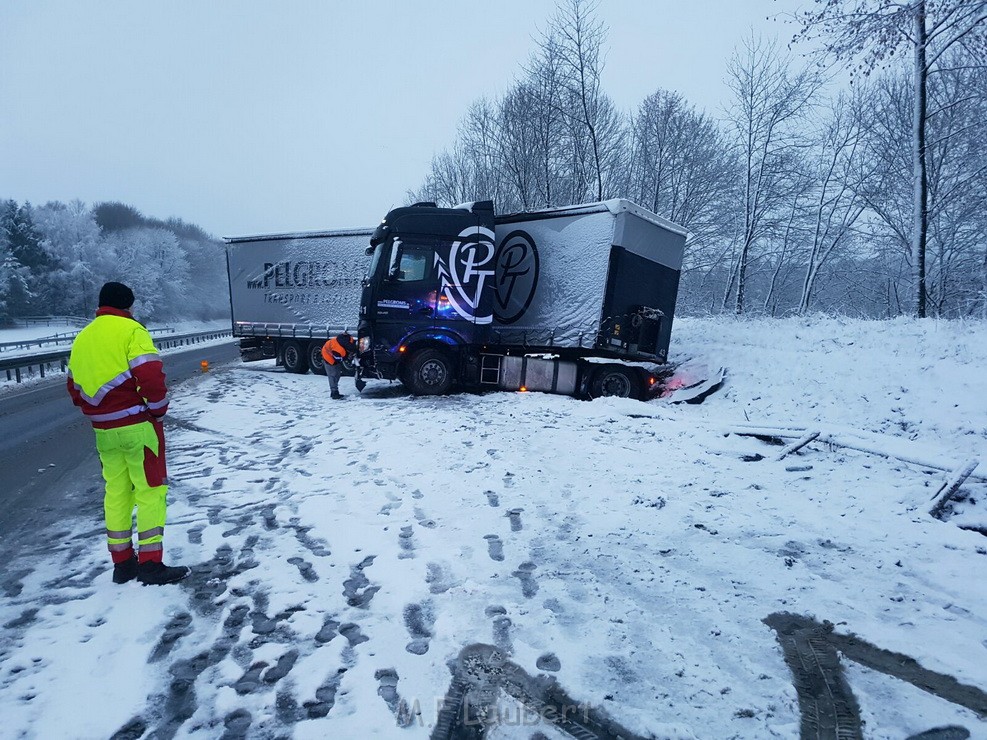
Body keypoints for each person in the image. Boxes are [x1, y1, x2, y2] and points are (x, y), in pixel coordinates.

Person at [67, 282, 190, 586]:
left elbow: (73, 386)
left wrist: (96, 411)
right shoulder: (132, 331)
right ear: (128, 306)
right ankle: (151, 565)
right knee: (150, 491)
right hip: (138, 428)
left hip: (103, 432)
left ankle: (123, 564)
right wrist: (158, 411)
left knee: (117, 492)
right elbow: (151, 378)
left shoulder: (83, 338)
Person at [321, 332, 357, 399]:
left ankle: (334, 390)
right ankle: (334, 393)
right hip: (328, 356)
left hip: (332, 352)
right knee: (333, 375)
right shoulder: (339, 350)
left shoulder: (347, 339)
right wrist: (347, 358)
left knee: (337, 374)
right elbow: (338, 359)